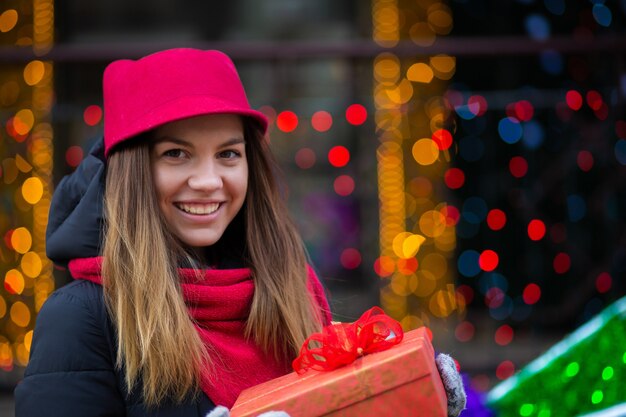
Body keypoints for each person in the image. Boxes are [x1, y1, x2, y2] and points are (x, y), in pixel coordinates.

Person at [14, 48, 466, 417]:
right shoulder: (80, 316)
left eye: (228, 154)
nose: (209, 181)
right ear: (132, 172)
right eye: (176, 154)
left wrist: (407, 401)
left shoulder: (289, 284)